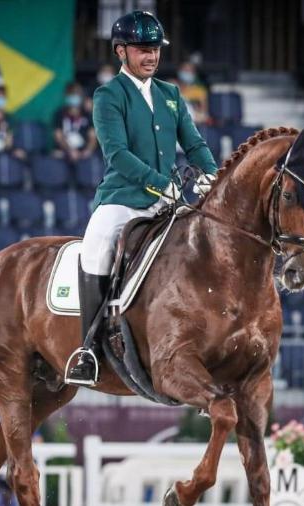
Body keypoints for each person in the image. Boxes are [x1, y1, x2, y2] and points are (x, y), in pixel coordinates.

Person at [64, 10, 218, 386]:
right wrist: (159, 184)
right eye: (142, 50)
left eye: (155, 50)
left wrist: (213, 175)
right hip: (123, 198)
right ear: (121, 52)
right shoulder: (108, 96)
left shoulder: (170, 94)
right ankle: (89, 346)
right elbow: (116, 154)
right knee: (96, 247)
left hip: (167, 203)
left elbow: (193, 143)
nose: (150, 56)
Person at [53, 82, 98, 162]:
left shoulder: (87, 115)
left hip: (83, 153)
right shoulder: (59, 114)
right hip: (65, 151)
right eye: (71, 94)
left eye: (76, 94)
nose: (74, 97)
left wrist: (88, 151)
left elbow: (93, 137)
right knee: (56, 154)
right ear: (66, 96)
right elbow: (58, 136)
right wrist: (69, 150)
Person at [174, 61, 209, 125]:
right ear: (179, 71)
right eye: (185, 70)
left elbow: (204, 114)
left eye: (189, 71)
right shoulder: (171, 86)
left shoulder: (199, 91)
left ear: (194, 73)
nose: (187, 72)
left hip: (192, 123)